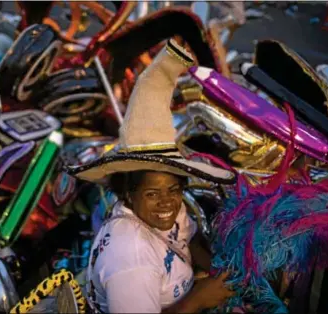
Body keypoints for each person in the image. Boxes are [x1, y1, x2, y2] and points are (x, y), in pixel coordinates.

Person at [66, 38, 238, 313]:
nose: (167, 203)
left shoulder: (167, 207)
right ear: (128, 194)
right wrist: (199, 300)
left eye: (173, 190)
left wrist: (219, 273)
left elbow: (187, 238)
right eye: (152, 193)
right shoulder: (130, 257)